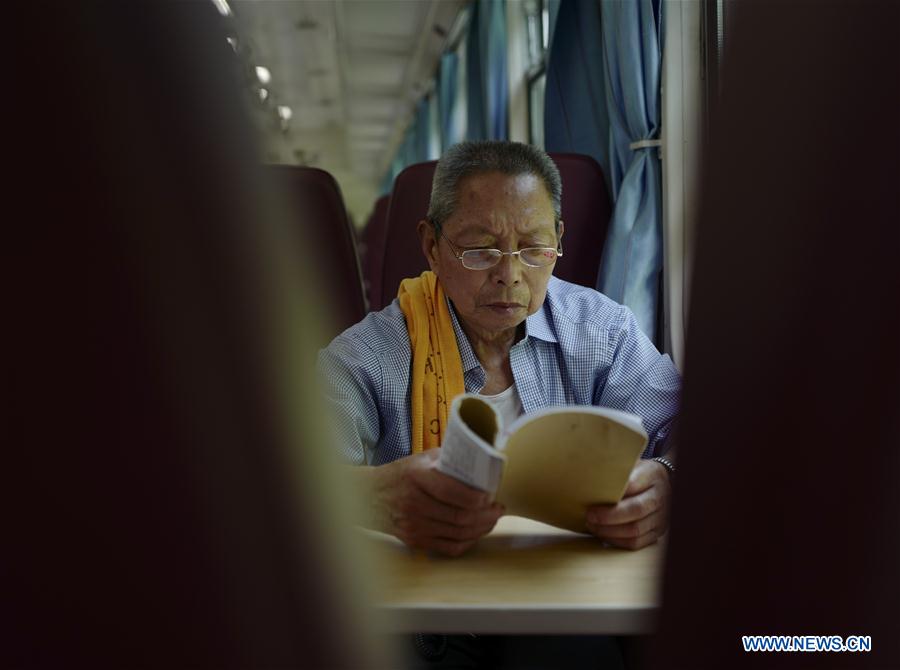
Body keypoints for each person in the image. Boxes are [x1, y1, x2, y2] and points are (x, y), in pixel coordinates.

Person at [319, 140, 681, 555]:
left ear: (558, 239)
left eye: (533, 249)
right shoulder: (369, 358)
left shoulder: (602, 332)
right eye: (479, 250)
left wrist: (666, 477)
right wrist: (371, 499)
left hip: (577, 601)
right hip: (431, 610)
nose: (509, 275)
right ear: (432, 247)